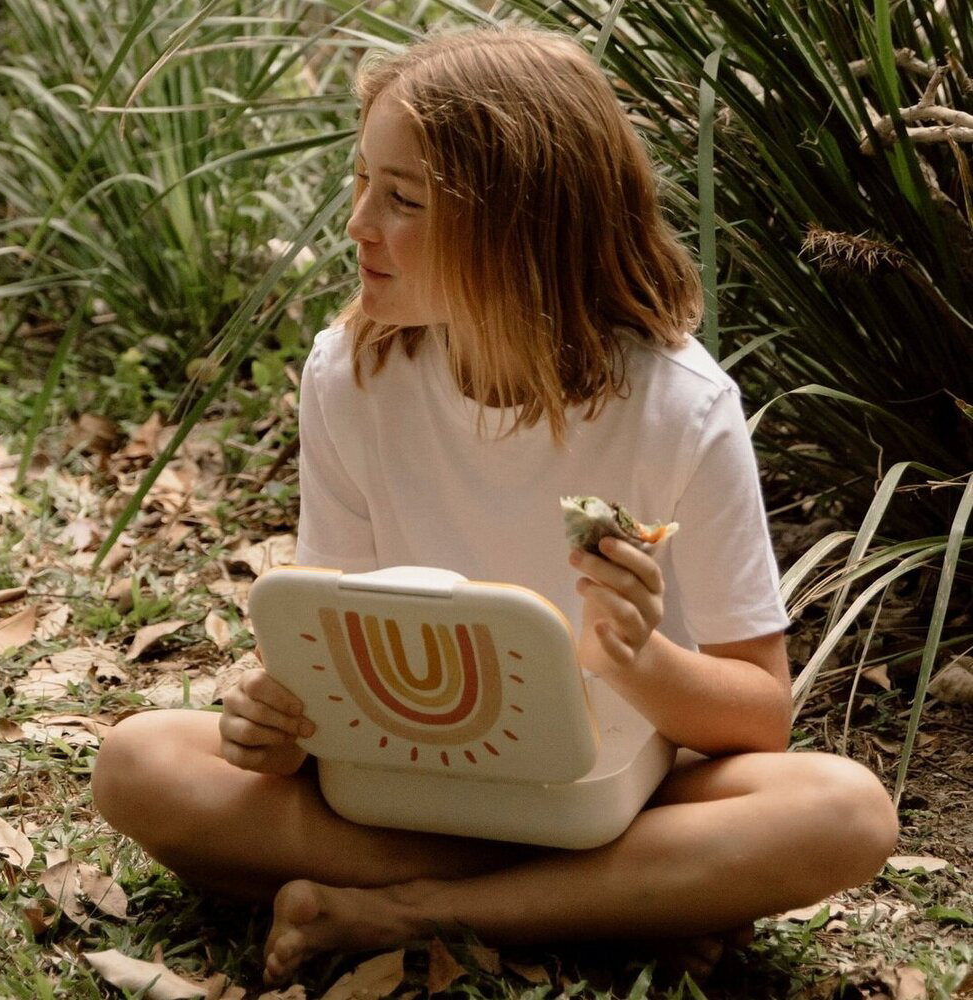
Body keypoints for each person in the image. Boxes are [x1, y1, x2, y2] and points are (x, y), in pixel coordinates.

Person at [91, 23, 898, 987]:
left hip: (614, 791)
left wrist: (636, 658)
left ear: (520, 222)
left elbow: (761, 718)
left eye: (402, 199)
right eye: (361, 184)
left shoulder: (682, 408)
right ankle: (607, 901)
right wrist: (274, 716)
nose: (357, 223)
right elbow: (321, 637)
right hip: (404, 780)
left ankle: (421, 912)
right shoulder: (351, 375)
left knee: (845, 810)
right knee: (140, 761)